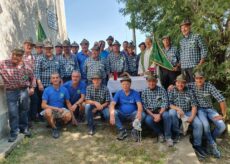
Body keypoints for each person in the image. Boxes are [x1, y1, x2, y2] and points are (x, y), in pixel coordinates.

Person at [188, 71, 226, 158]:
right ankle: (213, 145)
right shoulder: (191, 85)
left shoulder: (209, 86)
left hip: (210, 109)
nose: (199, 80)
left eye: (201, 78)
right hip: (200, 110)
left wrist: (223, 114)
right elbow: (180, 85)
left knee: (222, 126)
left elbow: (221, 99)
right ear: (195, 79)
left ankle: (209, 141)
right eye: (197, 78)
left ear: (204, 78)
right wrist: (172, 86)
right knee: (205, 125)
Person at [0, 48, 35, 142]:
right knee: (13, 112)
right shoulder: (4, 63)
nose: (14, 57)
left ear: (21, 57)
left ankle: (24, 129)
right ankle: (14, 132)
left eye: (17, 56)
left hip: (24, 91)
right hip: (11, 91)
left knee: (24, 110)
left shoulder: (27, 66)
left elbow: (32, 77)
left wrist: (32, 87)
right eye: (13, 55)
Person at [168, 74, 206, 157]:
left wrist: (192, 117)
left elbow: (194, 106)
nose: (180, 85)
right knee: (171, 112)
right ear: (176, 83)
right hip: (177, 111)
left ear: (185, 83)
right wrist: (178, 109)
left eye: (182, 83)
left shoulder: (189, 91)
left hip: (188, 111)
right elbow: (169, 104)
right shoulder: (172, 90)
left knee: (198, 124)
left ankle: (197, 145)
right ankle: (176, 134)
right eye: (178, 82)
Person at [141, 74, 173, 146]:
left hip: (161, 110)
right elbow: (145, 106)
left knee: (167, 116)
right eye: (149, 81)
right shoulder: (144, 92)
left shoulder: (161, 90)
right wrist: (153, 115)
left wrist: (159, 114)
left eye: (153, 81)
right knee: (148, 120)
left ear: (156, 81)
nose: (151, 83)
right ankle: (160, 133)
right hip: (151, 112)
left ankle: (168, 137)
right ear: (147, 82)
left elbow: (165, 103)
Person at [41, 72, 72, 139]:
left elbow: (68, 103)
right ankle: (54, 129)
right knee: (48, 112)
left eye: (57, 78)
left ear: (60, 79)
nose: (55, 79)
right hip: (51, 110)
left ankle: (57, 122)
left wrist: (74, 118)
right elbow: (43, 105)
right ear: (51, 80)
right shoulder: (47, 90)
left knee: (69, 116)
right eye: (53, 78)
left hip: (61, 110)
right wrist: (56, 108)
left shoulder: (64, 89)